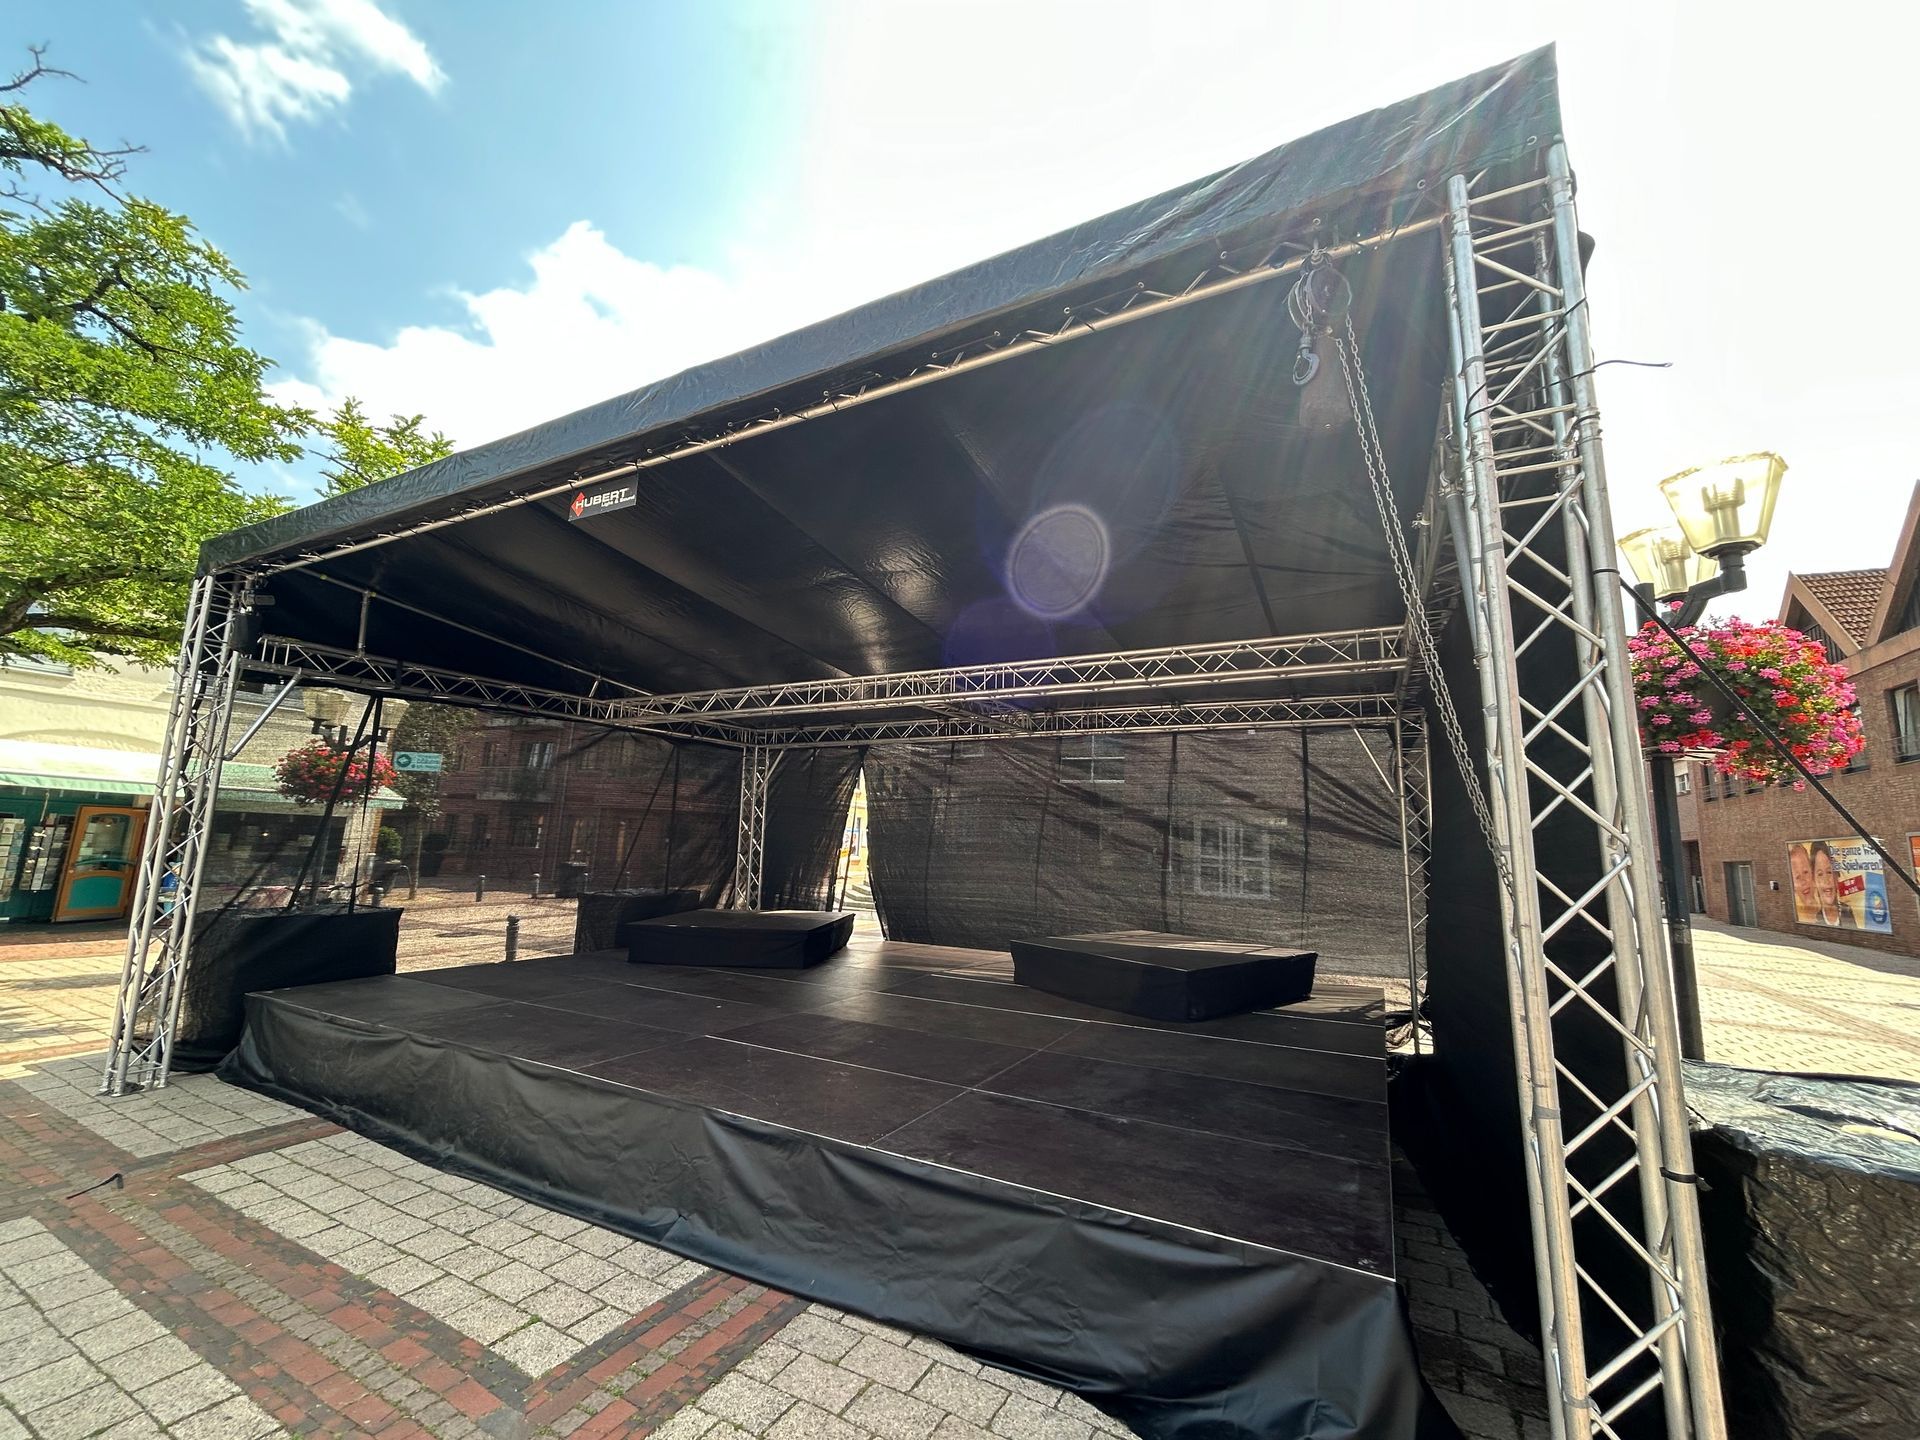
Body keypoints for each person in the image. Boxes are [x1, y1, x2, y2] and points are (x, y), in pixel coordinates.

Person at [1809, 841, 1858, 928]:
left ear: (1836, 876)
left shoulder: (1848, 912)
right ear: (1814, 880)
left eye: (1829, 872)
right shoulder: (1816, 920)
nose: (1826, 880)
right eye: (1820, 874)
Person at [1788, 842, 1817, 924]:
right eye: (1797, 877)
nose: (1803, 881)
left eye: (1805, 872)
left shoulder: (1826, 903)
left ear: (1812, 871)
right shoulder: (1796, 914)